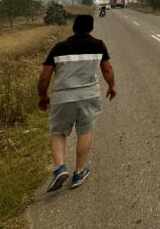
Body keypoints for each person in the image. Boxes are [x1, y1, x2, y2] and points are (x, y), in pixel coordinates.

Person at [37, 14, 116, 191]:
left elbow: (44, 78)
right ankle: (79, 172)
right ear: (91, 27)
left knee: (58, 131)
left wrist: (43, 96)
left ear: (74, 27)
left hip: (63, 98)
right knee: (85, 132)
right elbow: (107, 68)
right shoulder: (98, 45)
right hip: (89, 96)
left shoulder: (59, 47)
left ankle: (59, 168)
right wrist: (112, 86)